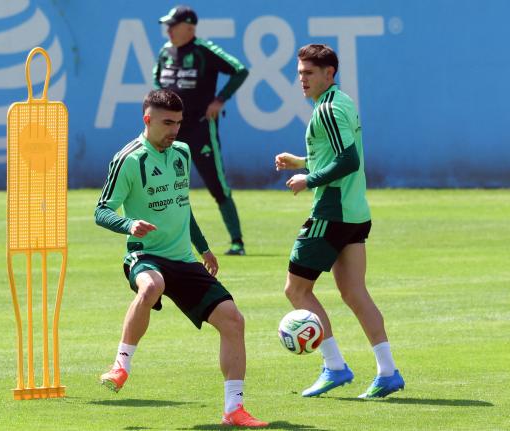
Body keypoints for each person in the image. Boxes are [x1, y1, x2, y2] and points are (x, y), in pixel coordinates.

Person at [95, 89, 267, 427]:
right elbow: (101, 211)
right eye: (167, 123)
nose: (175, 130)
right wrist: (129, 223)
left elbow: (181, 208)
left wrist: (203, 248)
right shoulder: (128, 159)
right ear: (148, 119)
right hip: (145, 255)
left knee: (233, 320)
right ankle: (121, 365)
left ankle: (233, 410)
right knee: (151, 286)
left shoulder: (182, 153)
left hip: (183, 259)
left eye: (178, 123)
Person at [275, 44, 405, 399]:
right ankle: (388, 372)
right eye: (300, 73)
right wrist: (301, 162)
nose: (302, 79)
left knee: (296, 289)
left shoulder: (328, 110)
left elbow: (347, 161)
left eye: (309, 73)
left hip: (332, 213)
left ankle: (333, 365)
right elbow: (337, 154)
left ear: (329, 74)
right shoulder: (341, 102)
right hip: (356, 212)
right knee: (354, 292)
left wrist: (308, 179)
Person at [153, 5, 248, 255]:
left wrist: (220, 100)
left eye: (173, 25)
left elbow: (240, 70)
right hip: (169, 128)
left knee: (216, 182)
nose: (168, 30)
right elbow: (157, 81)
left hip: (200, 127)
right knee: (161, 184)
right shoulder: (165, 52)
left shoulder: (205, 50)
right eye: (167, 25)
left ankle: (237, 241)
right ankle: (163, 240)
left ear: (189, 27)